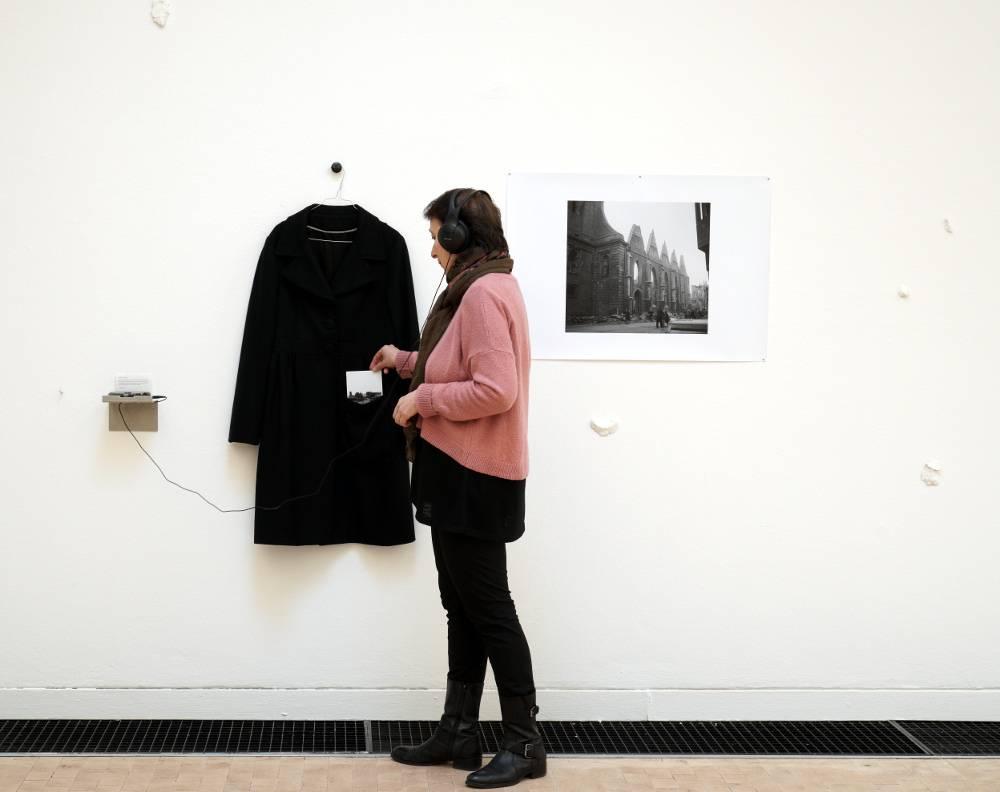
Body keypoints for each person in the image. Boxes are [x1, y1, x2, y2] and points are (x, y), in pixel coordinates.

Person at [369, 188, 545, 788]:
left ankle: (525, 742)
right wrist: (404, 360)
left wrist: (422, 399)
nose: (432, 249)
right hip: (458, 470)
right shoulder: (481, 287)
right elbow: (460, 364)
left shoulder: (484, 293)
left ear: (457, 236)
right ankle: (459, 732)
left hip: (475, 476)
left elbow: (495, 389)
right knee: (462, 606)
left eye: (435, 235)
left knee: (490, 609)